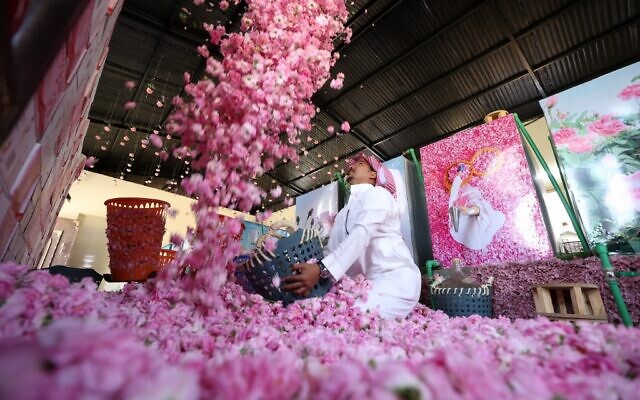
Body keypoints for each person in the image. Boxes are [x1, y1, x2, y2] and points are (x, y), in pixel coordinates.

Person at [283, 153, 422, 319]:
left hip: (395, 280)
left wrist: (321, 269)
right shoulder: (342, 214)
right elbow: (330, 252)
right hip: (363, 288)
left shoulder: (379, 194)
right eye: (351, 165)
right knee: (324, 314)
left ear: (373, 174)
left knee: (348, 316)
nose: (351, 167)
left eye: (360, 164)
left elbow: (363, 232)